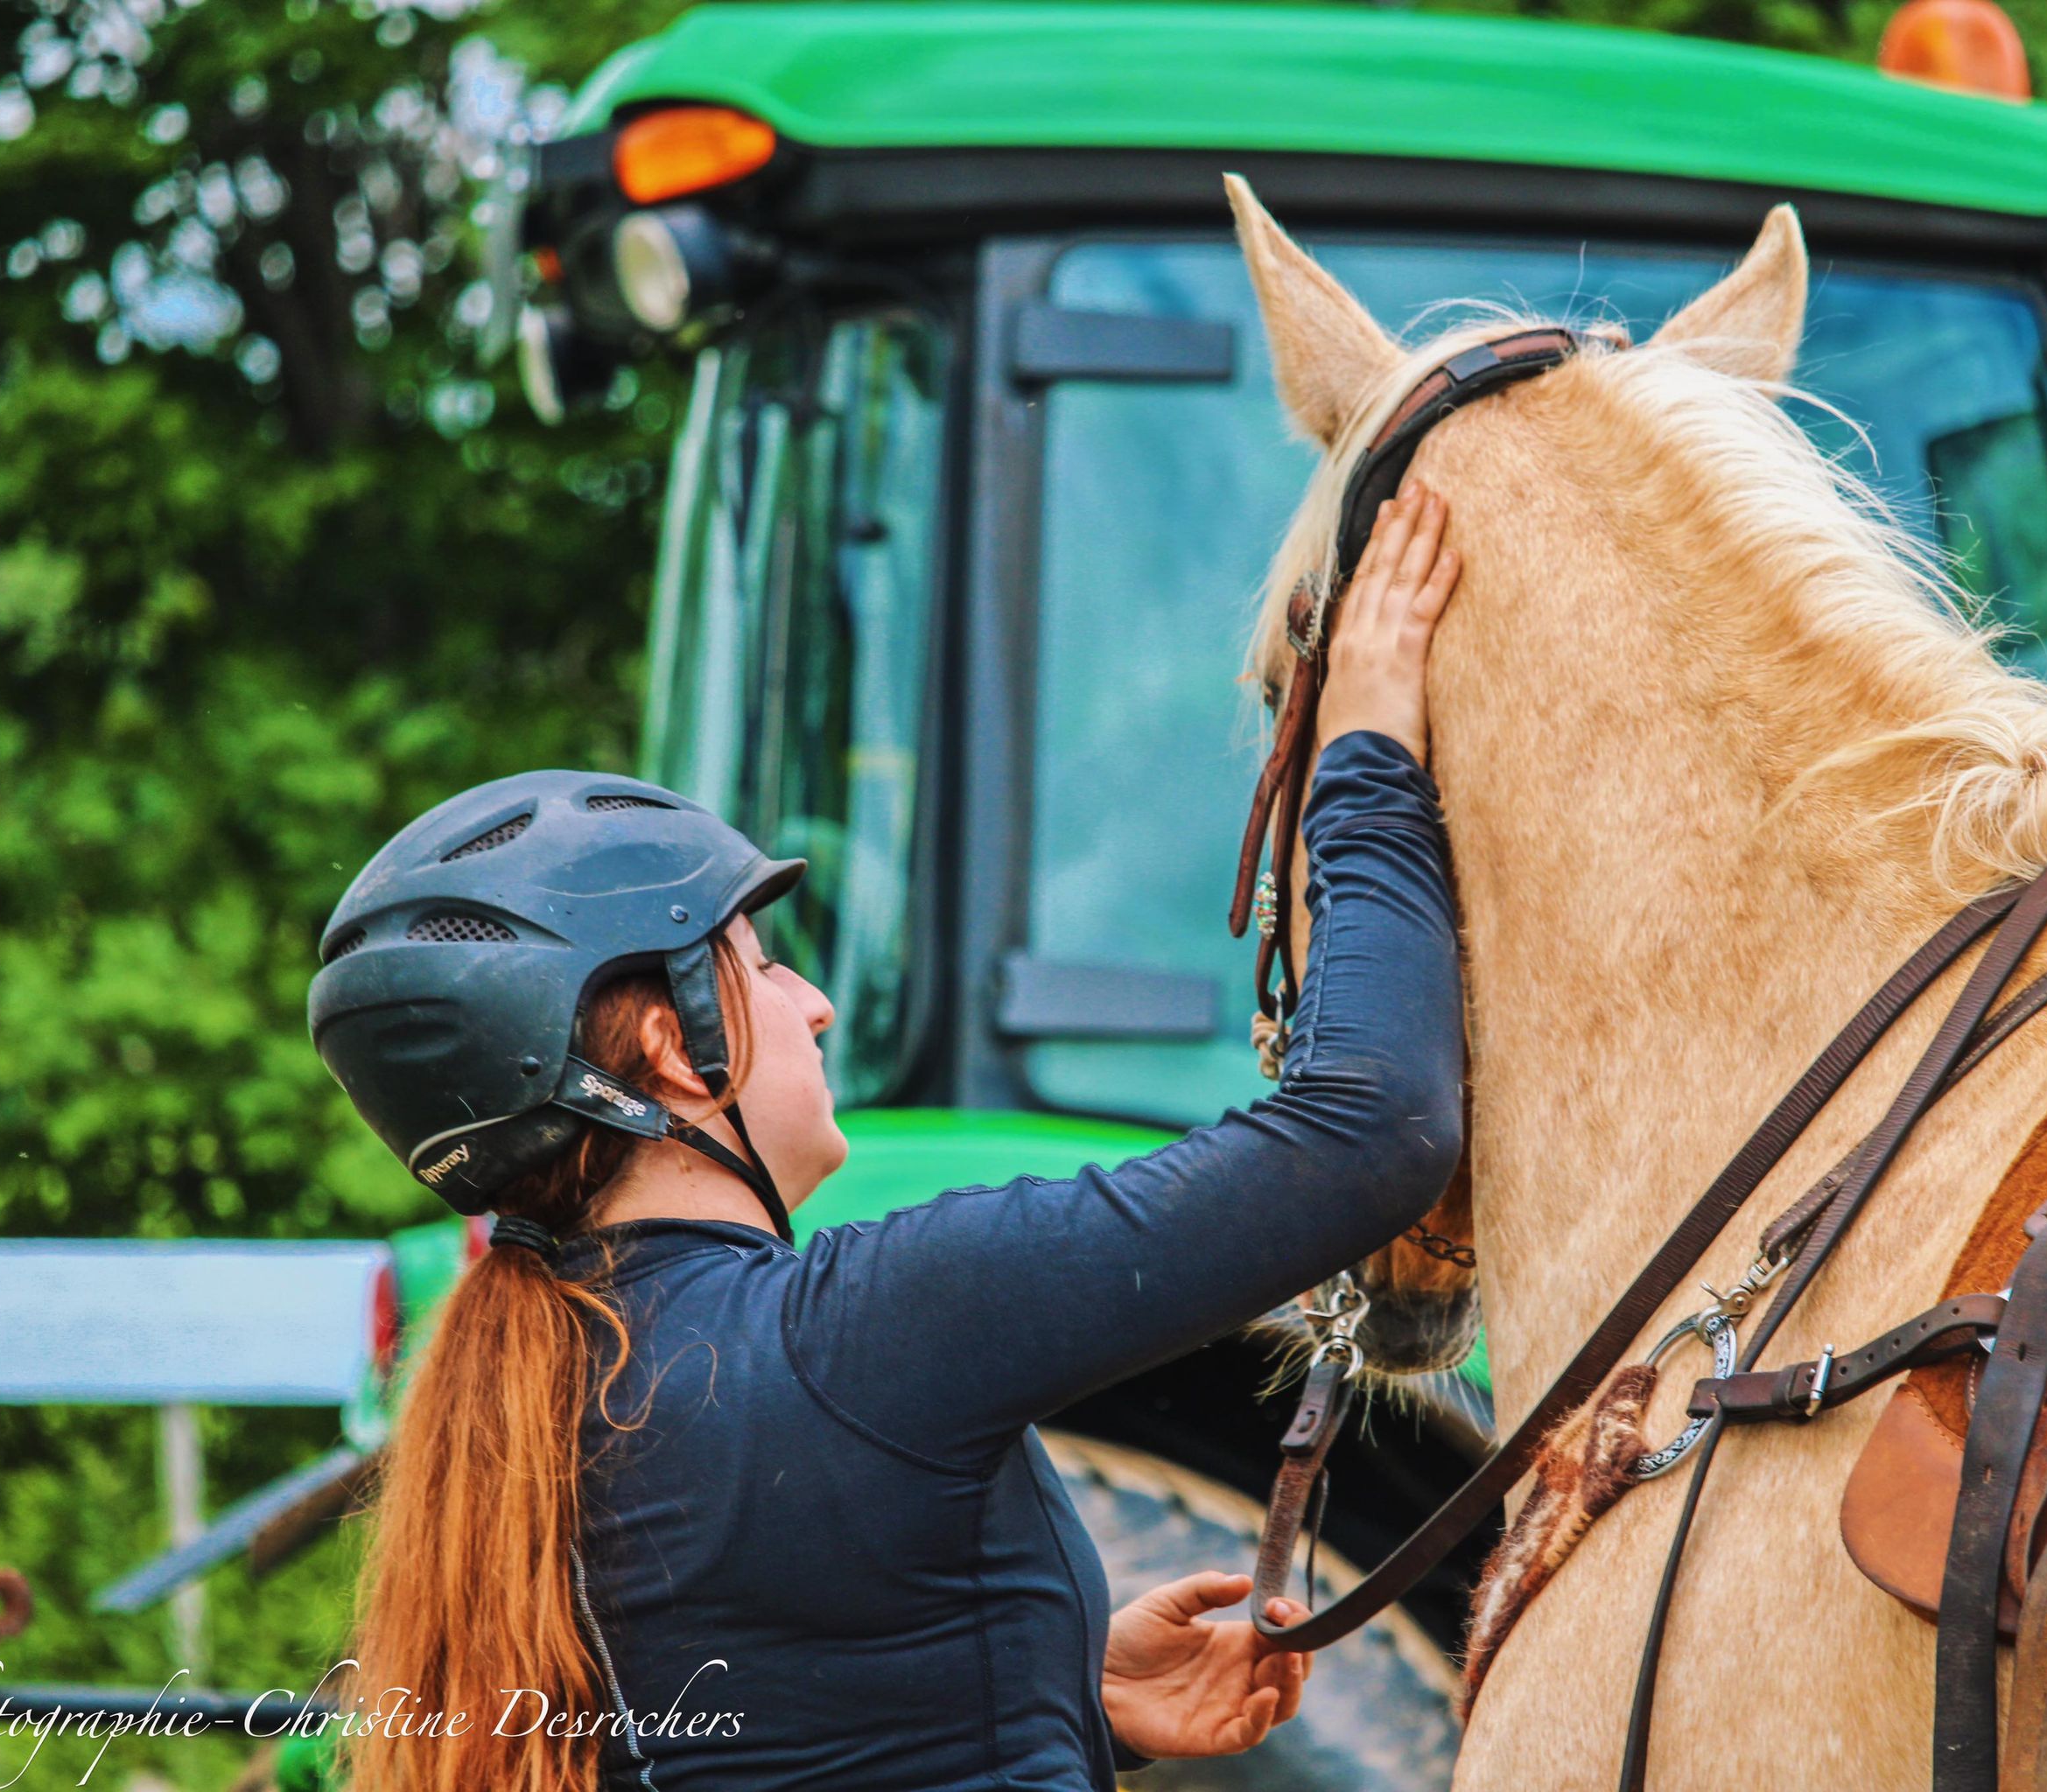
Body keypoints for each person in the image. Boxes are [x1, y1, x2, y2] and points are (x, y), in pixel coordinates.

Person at [305, 485, 1467, 1792]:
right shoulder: (860, 1331)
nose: (813, 1003)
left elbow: (774, 1735)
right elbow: (1375, 1128)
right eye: (757, 963)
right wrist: (1368, 754)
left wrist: (1049, 1694)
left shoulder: (536, 1400)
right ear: (668, 1054)